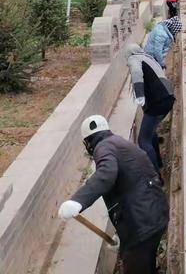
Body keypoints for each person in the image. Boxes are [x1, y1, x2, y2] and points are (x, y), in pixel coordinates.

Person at [58, 115, 169, 274]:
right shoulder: (118, 143)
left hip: (143, 222)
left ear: (88, 142)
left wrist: (78, 201)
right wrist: (124, 236)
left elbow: (107, 173)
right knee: (145, 264)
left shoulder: (103, 147)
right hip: (154, 216)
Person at [126, 44, 176, 171]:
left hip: (157, 103)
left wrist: (139, 94)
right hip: (167, 99)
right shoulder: (148, 58)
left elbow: (137, 72)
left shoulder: (134, 59)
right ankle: (158, 163)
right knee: (150, 133)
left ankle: (155, 178)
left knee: (143, 141)